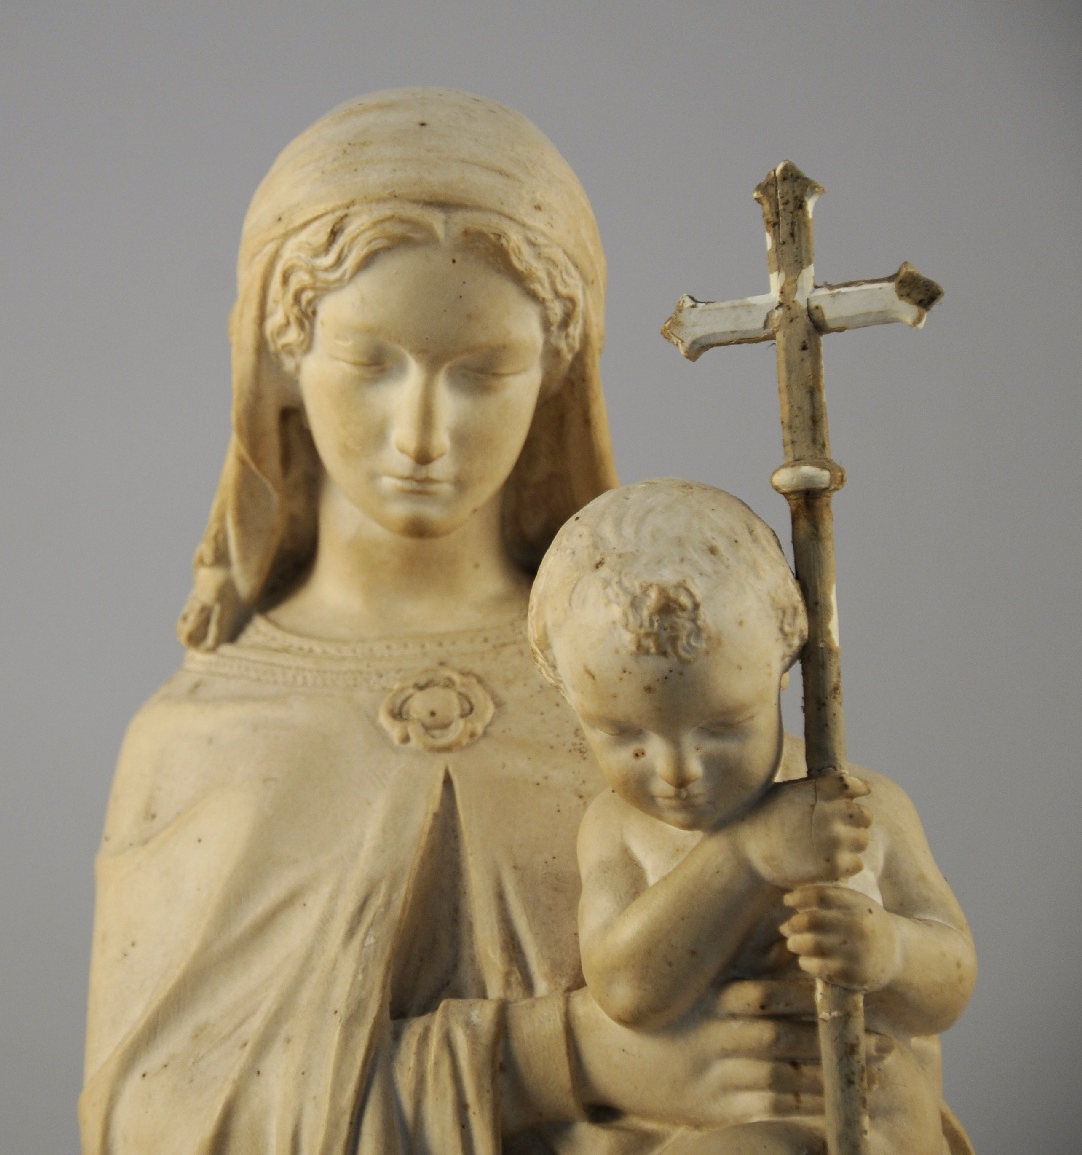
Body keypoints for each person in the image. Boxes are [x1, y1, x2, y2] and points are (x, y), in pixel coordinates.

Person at [81, 88, 971, 1155]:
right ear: (282, 352)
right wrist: (568, 1058)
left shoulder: (640, 673)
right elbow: (157, 1117)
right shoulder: (209, 733)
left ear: (554, 369)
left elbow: (860, 1032)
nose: (421, 431)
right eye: (369, 363)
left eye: (483, 371)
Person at [528, 478, 977, 1154]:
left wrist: (890, 950)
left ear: (782, 667)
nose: (678, 770)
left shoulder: (861, 808)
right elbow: (624, 990)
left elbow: (950, 983)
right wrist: (743, 856)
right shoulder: (617, 829)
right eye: (624, 735)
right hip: (716, 1125)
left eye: (723, 727)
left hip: (868, 1110)